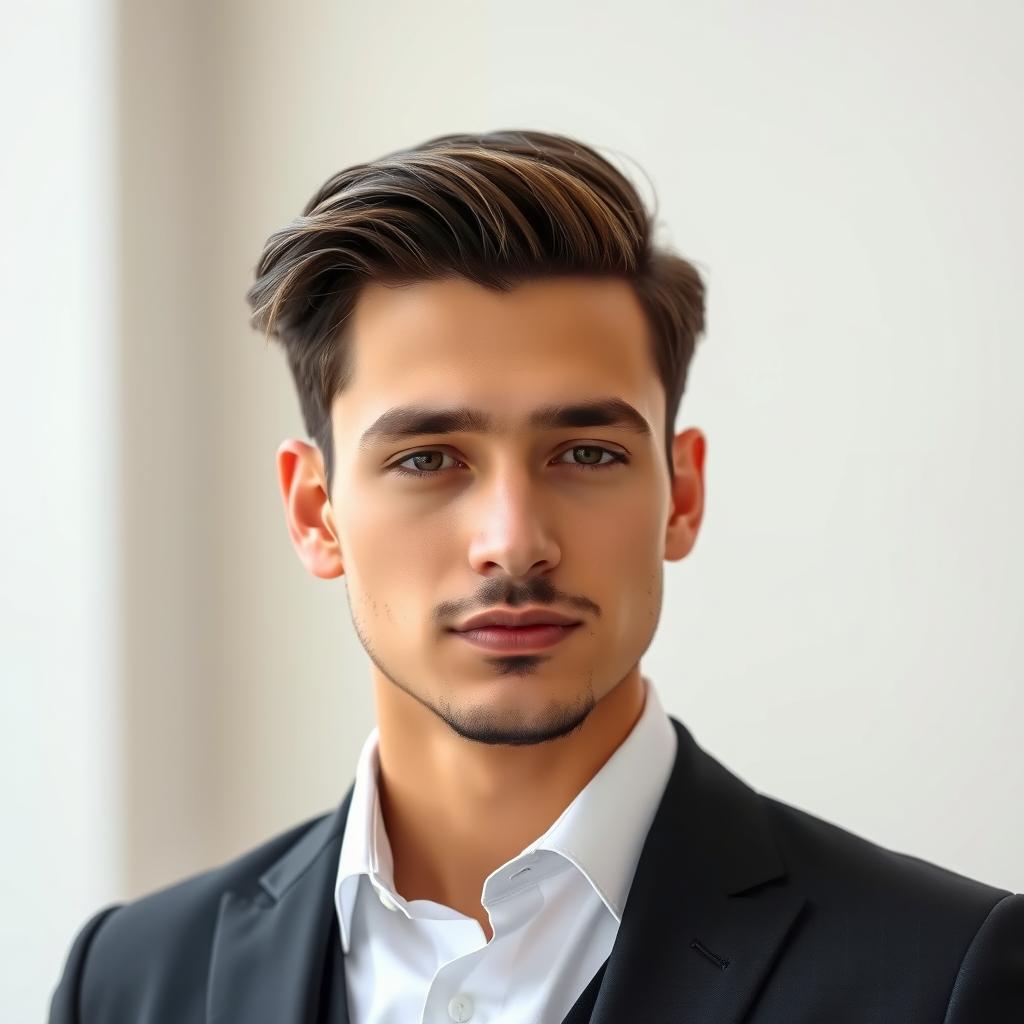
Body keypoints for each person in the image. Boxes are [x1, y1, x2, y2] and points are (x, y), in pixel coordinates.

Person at [50, 129, 1022, 1023]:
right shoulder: (130, 979)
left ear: (681, 494)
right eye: (428, 458)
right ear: (316, 512)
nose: (512, 543)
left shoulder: (943, 976)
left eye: (586, 453)